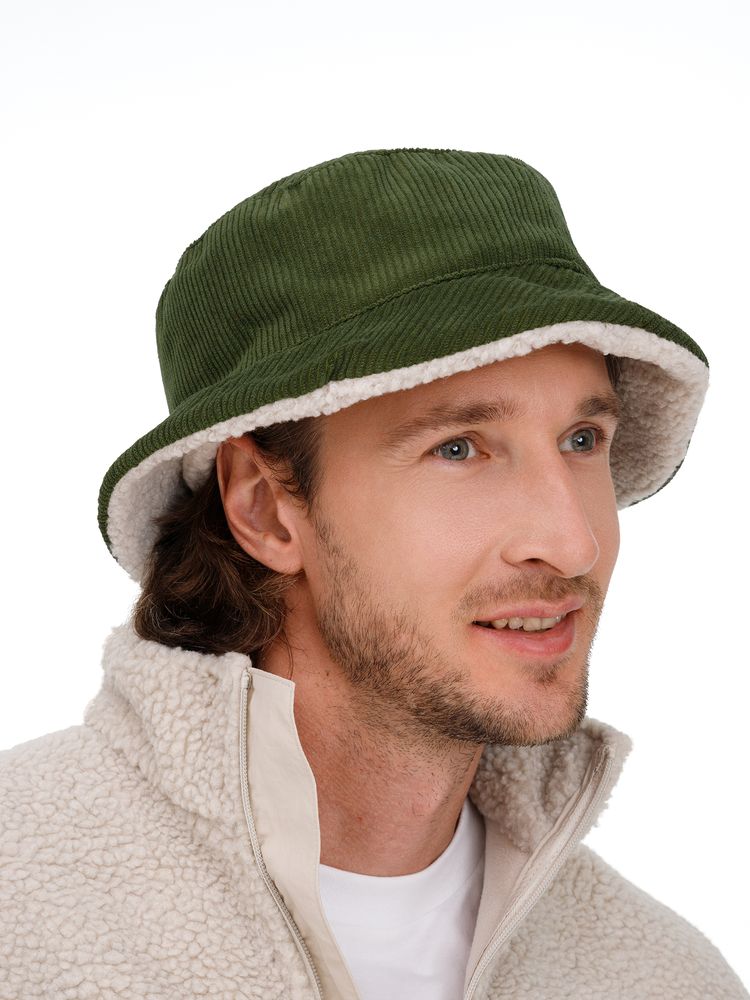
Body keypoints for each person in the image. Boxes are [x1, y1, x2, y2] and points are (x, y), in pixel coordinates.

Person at [0, 148, 746, 1000]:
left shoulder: (665, 979)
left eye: (583, 441)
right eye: (459, 449)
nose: (573, 544)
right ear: (266, 509)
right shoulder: (20, 903)